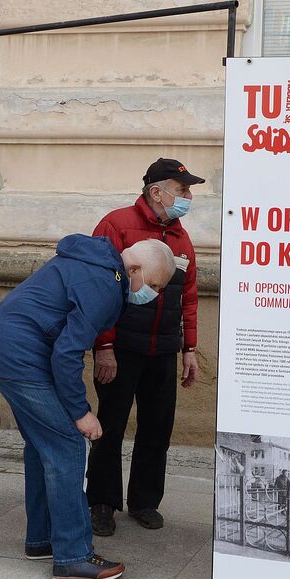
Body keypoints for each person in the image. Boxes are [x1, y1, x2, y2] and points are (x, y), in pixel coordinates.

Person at [0, 234, 176, 579]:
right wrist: (81, 412)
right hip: (21, 356)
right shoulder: (103, 283)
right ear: (136, 269)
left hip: (7, 348)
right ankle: (72, 556)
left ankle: (42, 540)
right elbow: (67, 353)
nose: (153, 295)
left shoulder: (95, 266)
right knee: (67, 446)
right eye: (155, 285)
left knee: (42, 448)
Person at [86, 157, 203, 537]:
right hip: (120, 349)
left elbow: (188, 296)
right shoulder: (116, 225)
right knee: (111, 425)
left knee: (157, 429)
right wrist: (104, 345)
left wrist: (189, 349)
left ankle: (144, 501)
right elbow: (97, 288)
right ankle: (101, 503)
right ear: (157, 191)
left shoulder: (182, 237)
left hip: (163, 349)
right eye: (182, 190)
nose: (187, 197)